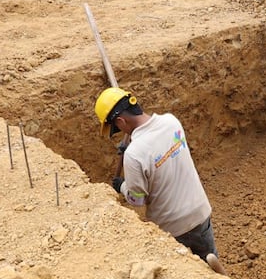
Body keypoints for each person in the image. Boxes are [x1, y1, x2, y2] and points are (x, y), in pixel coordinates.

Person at [94, 88, 227, 275]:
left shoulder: (134, 155)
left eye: (117, 128)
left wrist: (122, 186)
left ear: (121, 121)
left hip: (172, 228)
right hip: (199, 213)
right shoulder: (171, 122)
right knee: (209, 269)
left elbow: (137, 199)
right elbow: (157, 147)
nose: (119, 132)